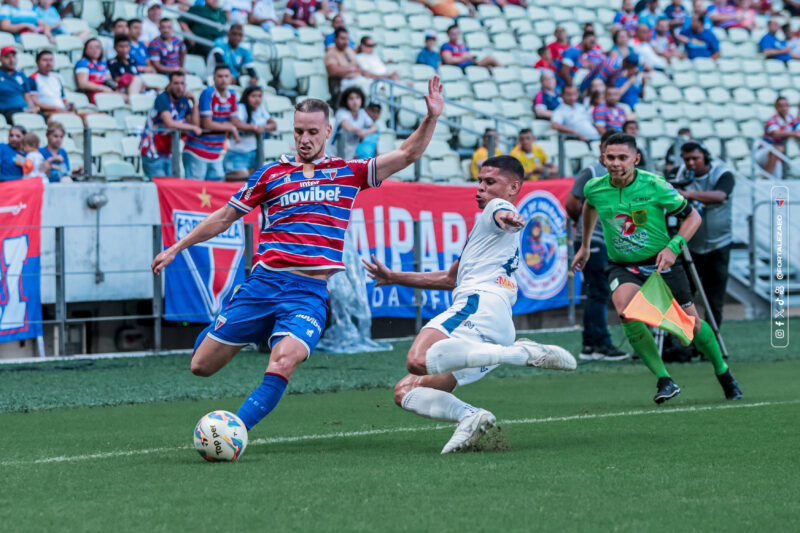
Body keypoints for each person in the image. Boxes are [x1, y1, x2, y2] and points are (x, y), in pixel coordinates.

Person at [150, 77, 445, 436]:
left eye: (312, 132)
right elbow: (225, 216)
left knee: (285, 360)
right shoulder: (270, 174)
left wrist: (430, 117)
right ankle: (241, 322)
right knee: (200, 366)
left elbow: (408, 154)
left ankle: (235, 430)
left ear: (328, 132)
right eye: (299, 131)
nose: (305, 139)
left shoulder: (349, 172)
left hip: (307, 293)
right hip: (262, 284)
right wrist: (177, 247)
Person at [362, 156, 576, 454]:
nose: (481, 188)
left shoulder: (497, 209)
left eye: (490, 182)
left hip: (477, 307)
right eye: (479, 181)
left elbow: (502, 211)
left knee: (418, 359)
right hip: (493, 323)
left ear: (513, 186)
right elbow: (450, 278)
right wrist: (394, 276)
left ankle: (519, 353)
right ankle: (470, 416)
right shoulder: (486, 237)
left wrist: (507, 215)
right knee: (407, 390)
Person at [571, 133, 742, 403]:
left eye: (622, 158)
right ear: (603, 158)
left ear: (636, 159)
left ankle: (723, 373)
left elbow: (693, 216)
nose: (615, 163)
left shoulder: (655, 185)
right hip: (623, 265)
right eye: (610, 157)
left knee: (691, 325)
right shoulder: (595, 187)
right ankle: (665, 379)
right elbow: (589, 206)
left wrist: (673, 248)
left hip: (662, 263)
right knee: (626, 312)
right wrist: (584, 245)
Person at [565, 130, 630, 360]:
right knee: (600, 292)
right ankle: (600, 344)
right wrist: (584, 225)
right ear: (602, 149)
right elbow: (572, 202)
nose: (612, 156)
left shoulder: (625, 173)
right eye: (608, 149)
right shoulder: (592, 171)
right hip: (592, 240)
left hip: (608, 240)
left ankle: (590, 346)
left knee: (597, 292)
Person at [672, 141, 734, 328]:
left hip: (719, 245)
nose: (691, 163)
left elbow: (720, 196)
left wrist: (688, 194)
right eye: (687, 159)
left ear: (705, 157)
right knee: (684, 296)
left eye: (695, 158)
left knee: (714, 298)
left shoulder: (723, 174)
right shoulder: (679, 173)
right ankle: (685, 343)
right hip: (690, 246)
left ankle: (713, 341)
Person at [182, 65, 249, 181]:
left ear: (231, 78)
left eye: (226, 76)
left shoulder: (232, 94)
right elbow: (206, 124)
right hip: (196, 151)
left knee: (214, 192)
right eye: (220, 76)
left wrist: (236, 126)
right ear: (213, 78)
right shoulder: (207, 93)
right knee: (194, 192)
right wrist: (231, 128)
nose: (223, 79)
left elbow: (233, 121)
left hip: (216, 153)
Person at [140, 71, 201, 179]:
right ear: (169, 85)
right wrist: (192, 128)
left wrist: (194, 101)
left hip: (169, 152)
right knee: (160, 188)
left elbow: (195, 122)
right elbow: (169, 123)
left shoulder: (183, 100)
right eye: (176, 83)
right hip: (152, 152)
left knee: (169, 187)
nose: (180, 87)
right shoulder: (162, 98)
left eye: (182, 83)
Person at [223, 86, 276, 180]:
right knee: (240, 180)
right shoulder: (241, 108)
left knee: (252, 181)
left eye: (259, 96)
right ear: (247, 97)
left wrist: (263, 128)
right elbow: (236, 123)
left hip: (254, 152)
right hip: (238, 153)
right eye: (253, 96)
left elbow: (273, 124)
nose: (257, 99)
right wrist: (255, 128)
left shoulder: (261, 109)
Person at [756, 96, 798, 177]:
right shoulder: (772, 120)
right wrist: (794, 134)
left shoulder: (791, 119)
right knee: (778, 148)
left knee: (777, 179)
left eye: (786, 105)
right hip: (763, 152)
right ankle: (765, 177)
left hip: (777, 155)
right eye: (781, 106)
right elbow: (775, 133)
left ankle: (766, 178)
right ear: (776, 107)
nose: (784, 108)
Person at [332, 86, 376, 160]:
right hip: (333, 153)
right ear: (346, 101)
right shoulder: (341, 112)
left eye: (357, 97)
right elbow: (347, 127)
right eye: (351, 98)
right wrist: (359, 131)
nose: (355, 101)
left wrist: (365, 133)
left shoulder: (362, 112)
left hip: (349, 153)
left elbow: (374, 128)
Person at [29, 50, 75, 117]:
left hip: (62, 110)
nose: (48, 63)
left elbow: (64, 100)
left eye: (51, 60)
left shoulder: (56, 79)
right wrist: (55, 108)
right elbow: (34, 102)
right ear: (37, 62)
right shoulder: (32, 79)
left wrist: (70, 105)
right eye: (45, 60)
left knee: (90, 116)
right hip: (46, 112)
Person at [0, 46, 36, 123]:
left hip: (23, 109)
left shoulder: (21, 75)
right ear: (1, 59)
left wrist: (32, 107)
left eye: (13, 57)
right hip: (6, 111)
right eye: (7, 57)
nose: (11, 60)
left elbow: (26, 95)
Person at [74, 38, 114, 104]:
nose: (95, 50)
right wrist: (102, 88)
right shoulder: (83, 63)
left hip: (106, 92)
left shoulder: (103, 63)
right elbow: (83, 84)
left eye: (97, 47)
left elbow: (109, 80)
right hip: (92, 93)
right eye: (91, 48)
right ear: (85, 50)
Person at [324, 27, 360, 99]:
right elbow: (332, 71)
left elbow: (358, 67)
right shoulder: (331, 53)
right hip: (343, 83)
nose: (345, 41)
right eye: (342, 39)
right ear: (336, 39)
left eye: (347, 39)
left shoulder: (349, 50)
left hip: (357, 79)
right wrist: (351, 69)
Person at [108, 35, 144, 100]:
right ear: (115, 47)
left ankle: (133, 101)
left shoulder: (132, 62)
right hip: (122, 89)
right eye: (121, 46)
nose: (124, 49)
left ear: (130, 47)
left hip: (135, 89)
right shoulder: (112, 63)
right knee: (137, 79)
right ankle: (133, 102)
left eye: (126, 46)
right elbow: (117, 80)